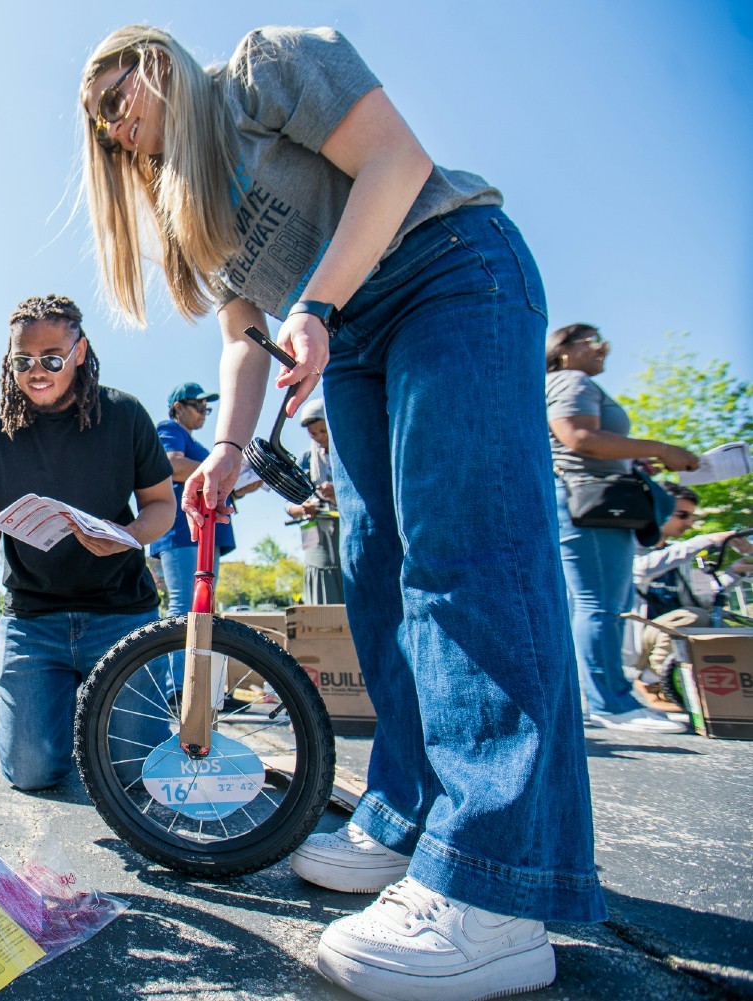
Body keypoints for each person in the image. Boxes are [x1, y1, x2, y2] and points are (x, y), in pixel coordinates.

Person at [80, 25, 606, 999]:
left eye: (121, 98)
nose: (117, 129)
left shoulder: (264, 70)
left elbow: (395, 163)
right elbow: (245, 340)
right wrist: (228, 452)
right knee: (376, 576)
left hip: (447, 269)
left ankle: (495, 889)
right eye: (102, 123)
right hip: (354, 333)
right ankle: (408, 815)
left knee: (466, 556)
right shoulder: (181, 202)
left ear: (161, 68)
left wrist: (315, 303)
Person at [0, 294, 175, 791]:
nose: (36, 371)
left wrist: (127, 537)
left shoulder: (125, 415)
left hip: (122, 614)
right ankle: (53, 726)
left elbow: (162, 505)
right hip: (34, 621)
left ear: (80, 351)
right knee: (30, 773)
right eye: (22, 361)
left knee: (136, 776)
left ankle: (91, 732)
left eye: (51, 359)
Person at [545, 322, 699, 733]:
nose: (604, 347)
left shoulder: (568, 381)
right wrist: (661, 449)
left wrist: (632, 460)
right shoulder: (572, 380)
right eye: (592, 340)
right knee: (600, 604)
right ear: (563, 351)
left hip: (585, 500)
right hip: (590, 504)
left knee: (586, 604)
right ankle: (611, 703)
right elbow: (579, 437)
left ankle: (590, 699)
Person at [150, 381, 259, 683]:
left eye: (206, 408)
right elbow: (172, 465)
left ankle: (197, 684)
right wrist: (222, 467)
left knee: (204, 607)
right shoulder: (169, 430)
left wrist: (238, 484)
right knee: (185, 604)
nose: (203, 412)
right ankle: (175, 684)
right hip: (183, 531)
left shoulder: (197, 445)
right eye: (197, 406)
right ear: (177, 408)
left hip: (206, 531)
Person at [630, 482, 752, 710]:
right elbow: (640, 570)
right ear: (658, 509)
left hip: (671, 630)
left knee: (730, 631)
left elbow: (705, 599)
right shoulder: (629, 546)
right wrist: (708, 539)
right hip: (638, 636)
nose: (688, 523)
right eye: (682, 515)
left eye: (691, 517)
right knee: (690, 618)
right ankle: (652, 683)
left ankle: (735, 697)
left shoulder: (683, 554)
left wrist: (735, 572)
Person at [285, 398, 343, 604]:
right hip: (314, 531)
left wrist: (340, 495)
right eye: (313, 433)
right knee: (320, 573)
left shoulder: (347, 455)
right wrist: (301, 508)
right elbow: (288, 503)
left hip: (343, 528)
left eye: (323, 431)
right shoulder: (306, 460)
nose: (319, 437)